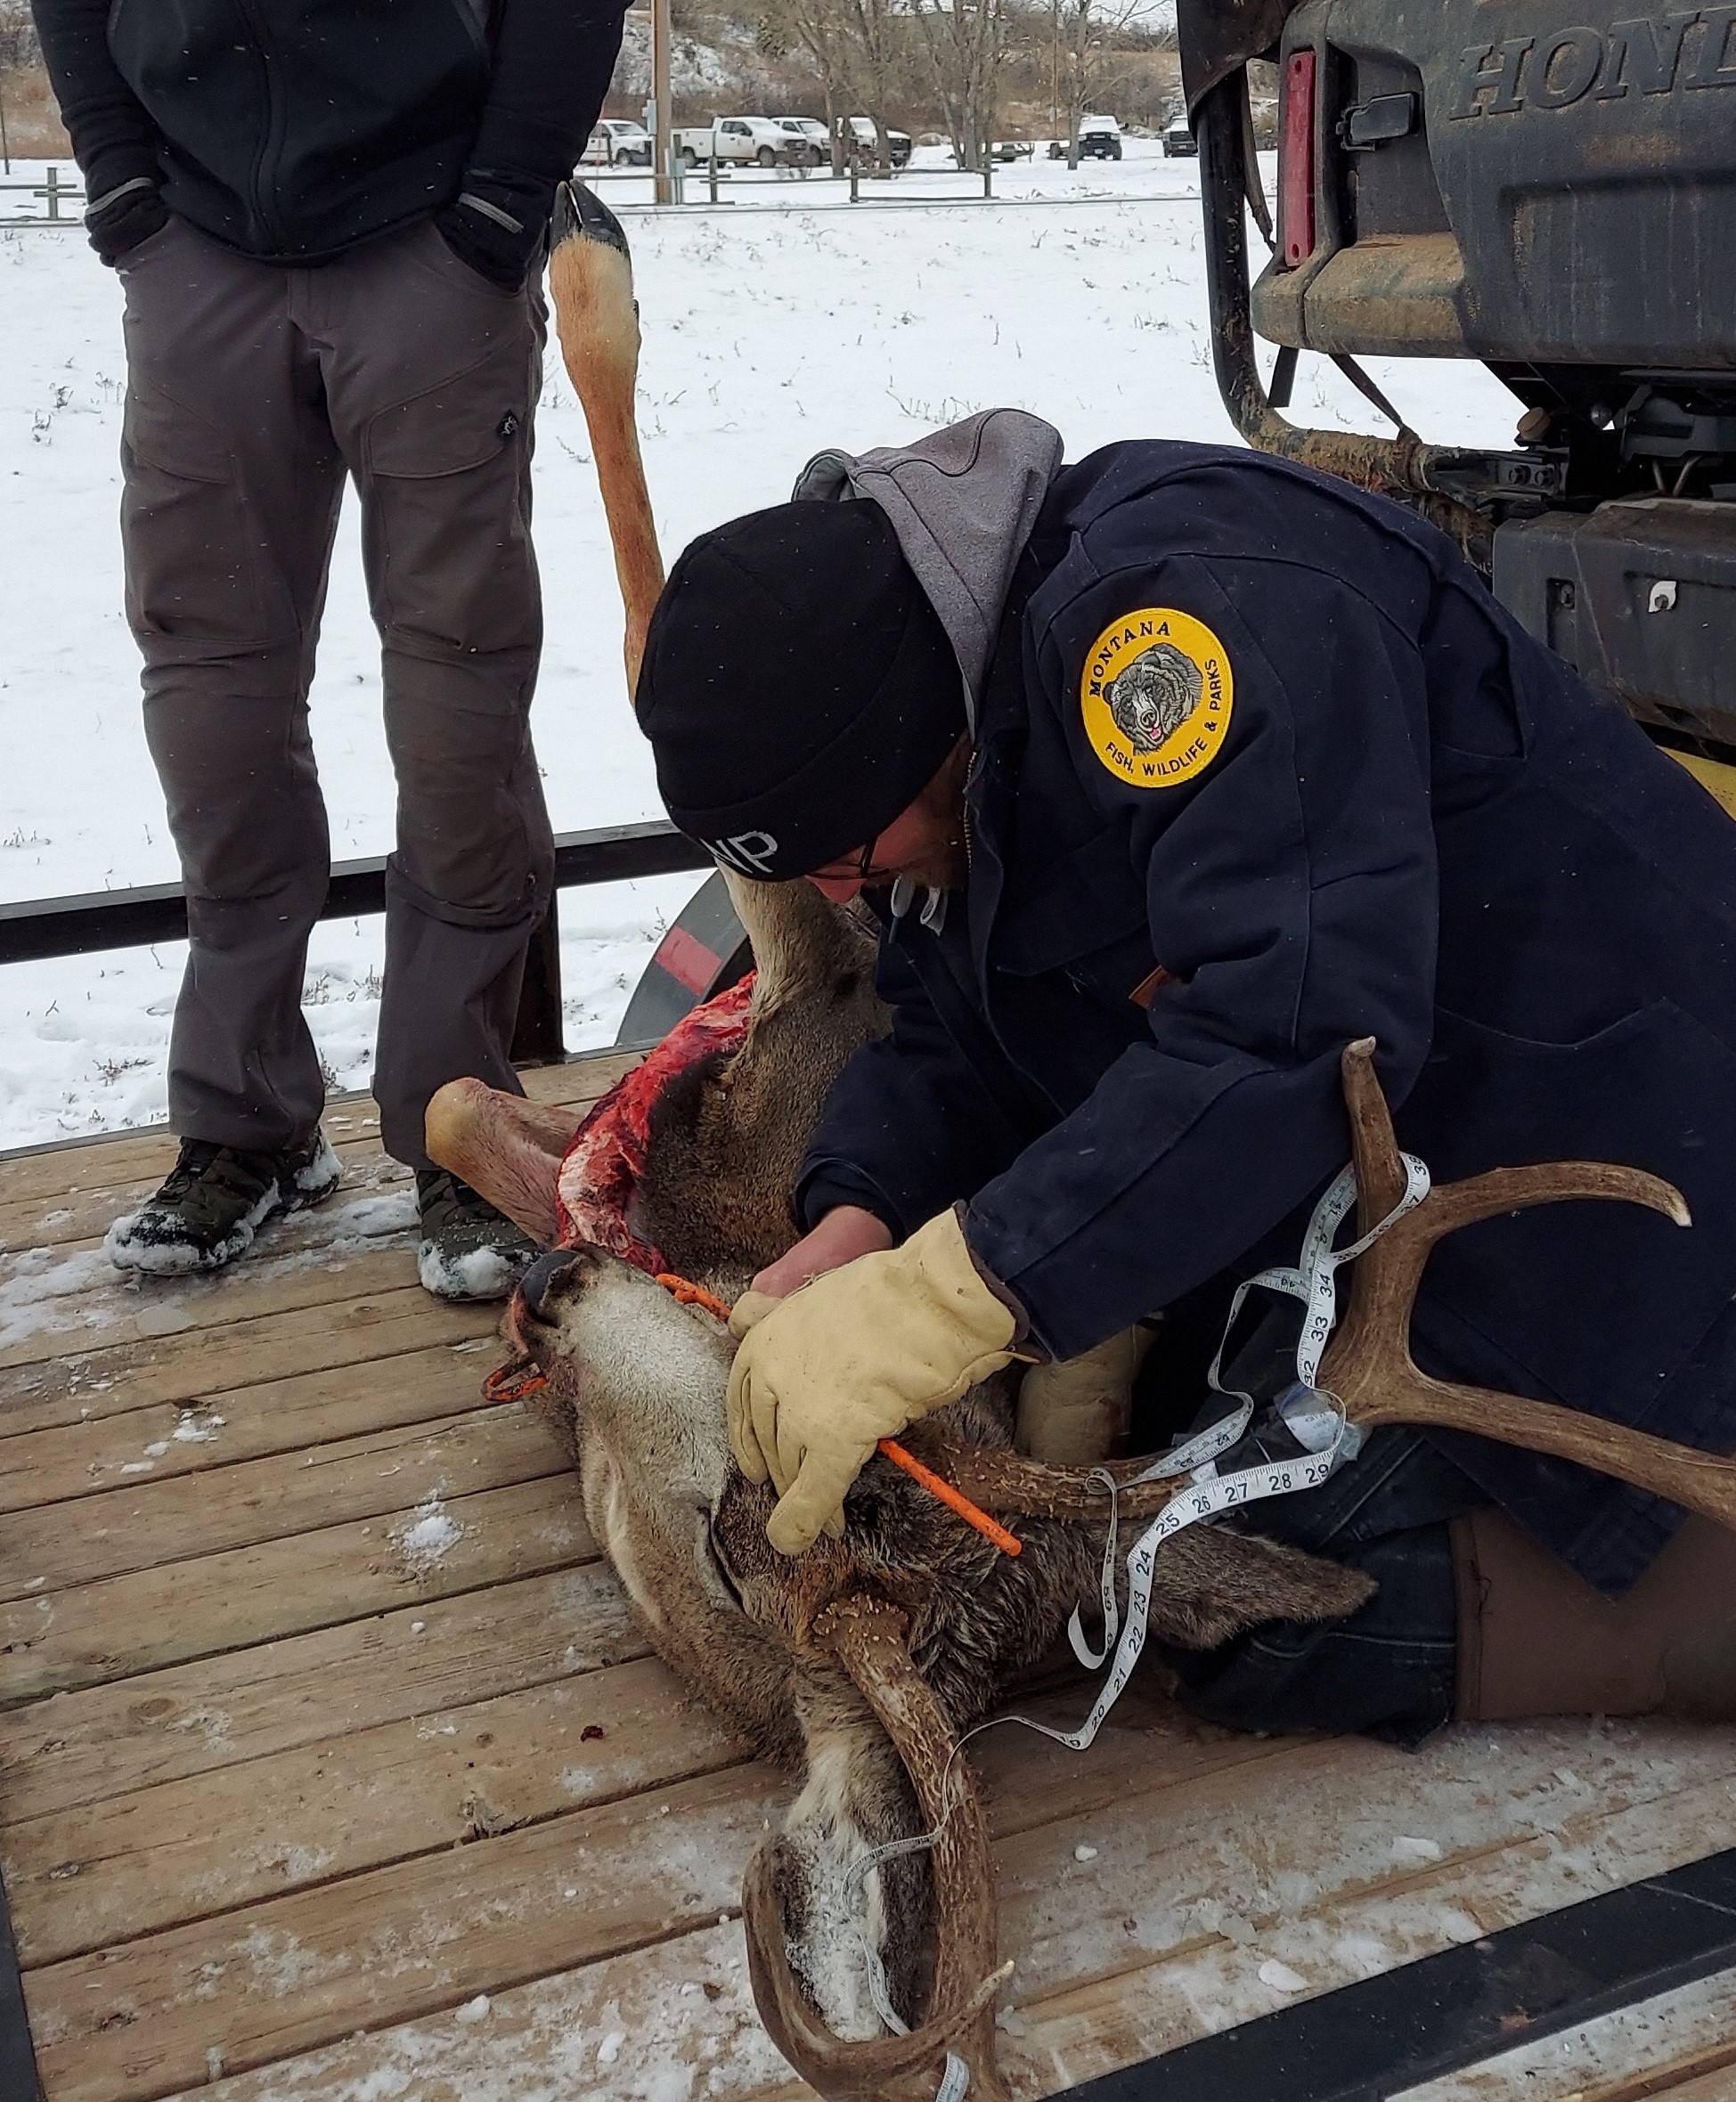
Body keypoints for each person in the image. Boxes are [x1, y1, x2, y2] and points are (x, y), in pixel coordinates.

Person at [633, 408, 1736, 1739]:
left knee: (1245, 1600)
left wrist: (958, 1288)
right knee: (1147, 1476)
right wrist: (856, 1222)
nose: (835, 890)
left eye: (845, 855)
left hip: (1625, 1150)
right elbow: (957, 1029)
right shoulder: (959, 719)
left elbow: (1296, 1020)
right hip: (1373, 1167)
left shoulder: (1185, 626)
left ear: (912, 731)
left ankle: (1698, 1589)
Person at [33, 0, 627, 1297]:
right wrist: (126, 186)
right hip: (195, 247)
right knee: (212, 706)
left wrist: (497, 205)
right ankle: (246, 1120)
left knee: (458, 705)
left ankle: (454, 1122)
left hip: (432, 238)